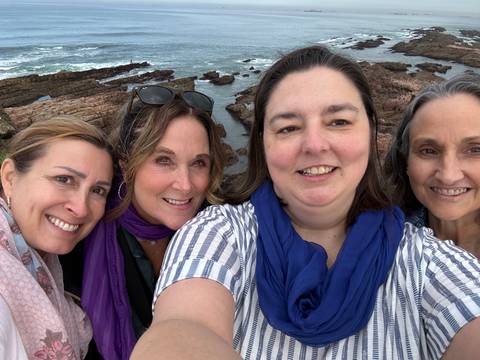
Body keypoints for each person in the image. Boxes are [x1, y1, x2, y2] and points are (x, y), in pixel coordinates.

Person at [131, 46, 480, 360]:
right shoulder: (218, 234)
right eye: (288, 128)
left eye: (339, 122)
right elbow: (182, 329)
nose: (314, 144)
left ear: (371, 132)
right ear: (263, 144)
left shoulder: (427, 261)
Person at [76, 85, 225, 360]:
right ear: (125, 165)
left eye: (199, 163)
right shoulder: (79, 235)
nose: (185, 184)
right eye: (164, 160)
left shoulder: (222, 233)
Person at [0, 116, 114, 359]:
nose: (81, 208)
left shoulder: (44, 264)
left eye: (97, 190)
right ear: (10, 178)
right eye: (63, 179)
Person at [385, 74, 480, 258]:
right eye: (428, 151)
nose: (448, 176)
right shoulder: (376, 250)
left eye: (475, 150)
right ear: (405, 160)